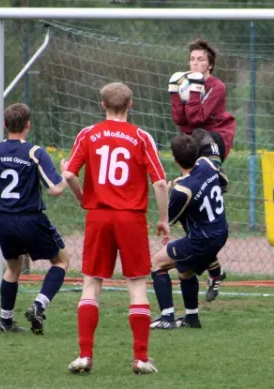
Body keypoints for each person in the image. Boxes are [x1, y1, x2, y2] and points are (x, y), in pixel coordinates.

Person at [61, 82, 169, 375]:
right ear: (130, 105)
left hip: (98, 217)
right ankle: (141, 358)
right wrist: (163, 219)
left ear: (103, 105)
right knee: (135, 283)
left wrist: (84, 199)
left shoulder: (89, 134)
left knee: (92, 282)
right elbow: (159, 182)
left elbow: (69, 173)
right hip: (131, 218)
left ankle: (84, 356)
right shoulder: (141, 136)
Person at [0, 103, 69, 335]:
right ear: (28, 125)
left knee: (13, 267)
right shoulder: (35, 152)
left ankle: (5, 320)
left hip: (4, 220)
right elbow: (55, 190)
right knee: (61, 261)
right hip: (30, 218)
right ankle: (39, 304)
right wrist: (66, 175)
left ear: (5, 124)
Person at [168, 38, 233, 298]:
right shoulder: (186, 82)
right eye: (192, 59)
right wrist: (176, 93)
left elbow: (198, 119)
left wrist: (193, 89)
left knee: (203, 136)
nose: (195, 63)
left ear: (210, 65)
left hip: (214, 138)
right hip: (193, 141)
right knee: (190, 217)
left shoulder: (216, 86)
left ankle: (215, 172)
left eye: (201, 59)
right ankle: (215, 271)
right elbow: (180, 119)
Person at [150, 132, 229, 330]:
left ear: (174, 159)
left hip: (201, 240)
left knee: (157, 263)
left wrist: (168, 193)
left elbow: (169, 220)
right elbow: (222, 182)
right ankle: (192, 318)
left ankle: (167, 316)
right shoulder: (208, 164)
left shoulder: (181, 191)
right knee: (185, 270)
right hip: (220, 232)